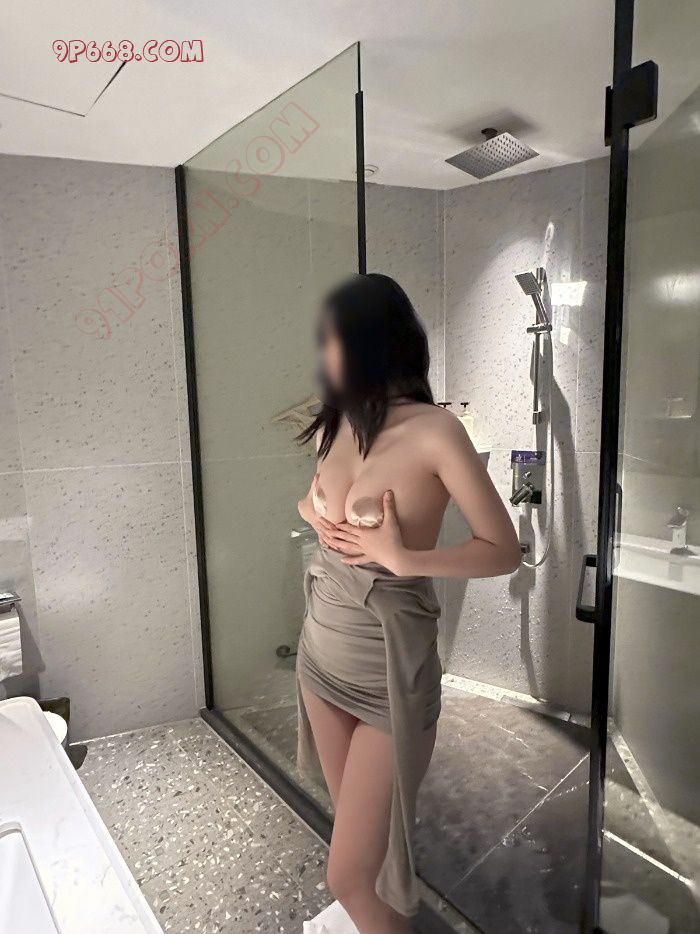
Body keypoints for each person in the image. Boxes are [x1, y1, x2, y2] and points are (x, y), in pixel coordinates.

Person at [296, 273, 521, 933]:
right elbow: (310, 499)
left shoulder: (436, 431)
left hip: (389, 669)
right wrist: (317, 519)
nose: (324, 354)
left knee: (347, 874)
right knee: (366, 854)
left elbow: (503, 549)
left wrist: (406, 559)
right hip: (321, 650)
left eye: (333, 339)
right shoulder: (336, 421)